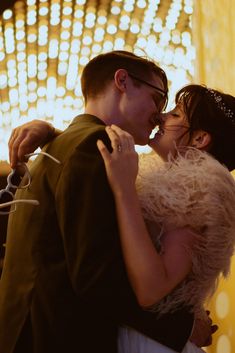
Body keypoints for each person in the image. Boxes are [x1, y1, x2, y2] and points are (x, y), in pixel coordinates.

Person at [0, 50, 201, 353]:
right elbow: (96, 274)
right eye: (158, 98)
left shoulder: (57, 145)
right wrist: (180, 328)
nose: (160, 114)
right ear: (122, 81)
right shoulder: (96, 146)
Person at [96, 84, 235, 352]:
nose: (161, 116)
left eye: (175, 114)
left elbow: (152, 287)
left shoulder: (199, 189)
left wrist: (123, 189)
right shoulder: (172, 186)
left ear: (199, 139)